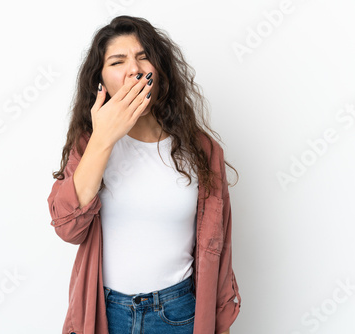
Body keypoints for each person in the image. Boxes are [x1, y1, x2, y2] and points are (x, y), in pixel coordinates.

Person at [47, 15, 241, 334]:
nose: (134, 69)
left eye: (143, 56)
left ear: (159, 71)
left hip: (179, 313)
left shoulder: (203, 150)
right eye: (117, 61)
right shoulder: (88, 145)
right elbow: (68, 229)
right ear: (101, 81)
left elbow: (220, 252)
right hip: (106, 315)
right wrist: (103, 138)